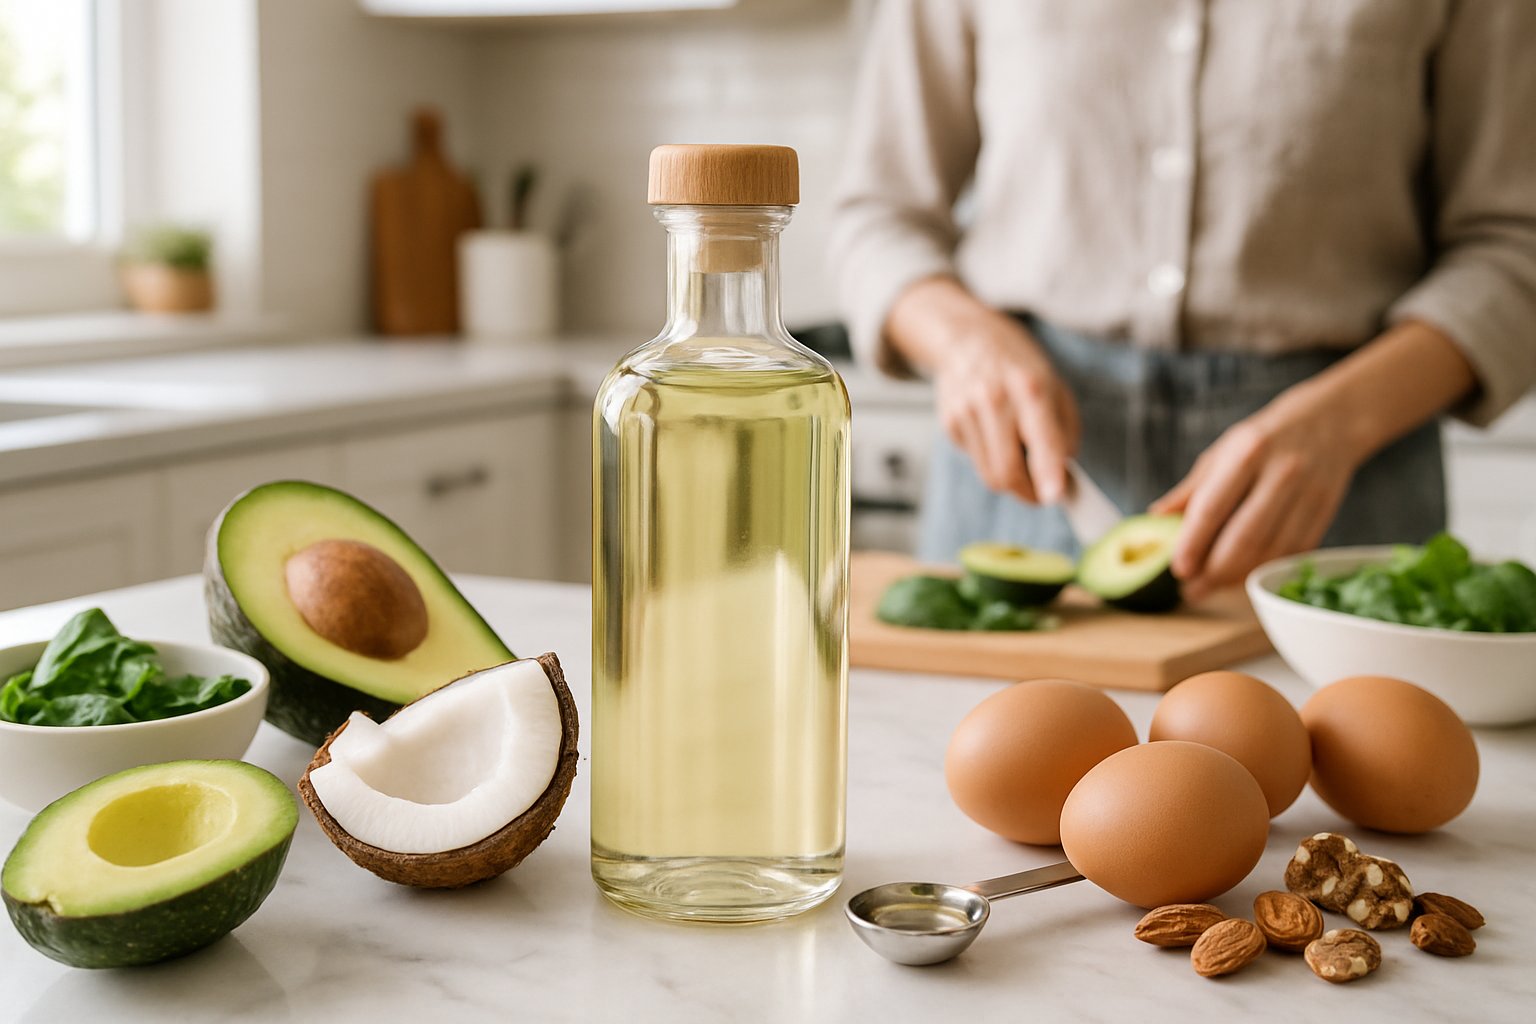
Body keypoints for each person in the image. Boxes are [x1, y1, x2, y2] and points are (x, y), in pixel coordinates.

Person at [829, 0, 1536, 600]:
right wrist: (963, 342)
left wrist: (1341, 423)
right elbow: (877, 216)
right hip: (1029, 470)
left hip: (1338, 480)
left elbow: (1515, 245)